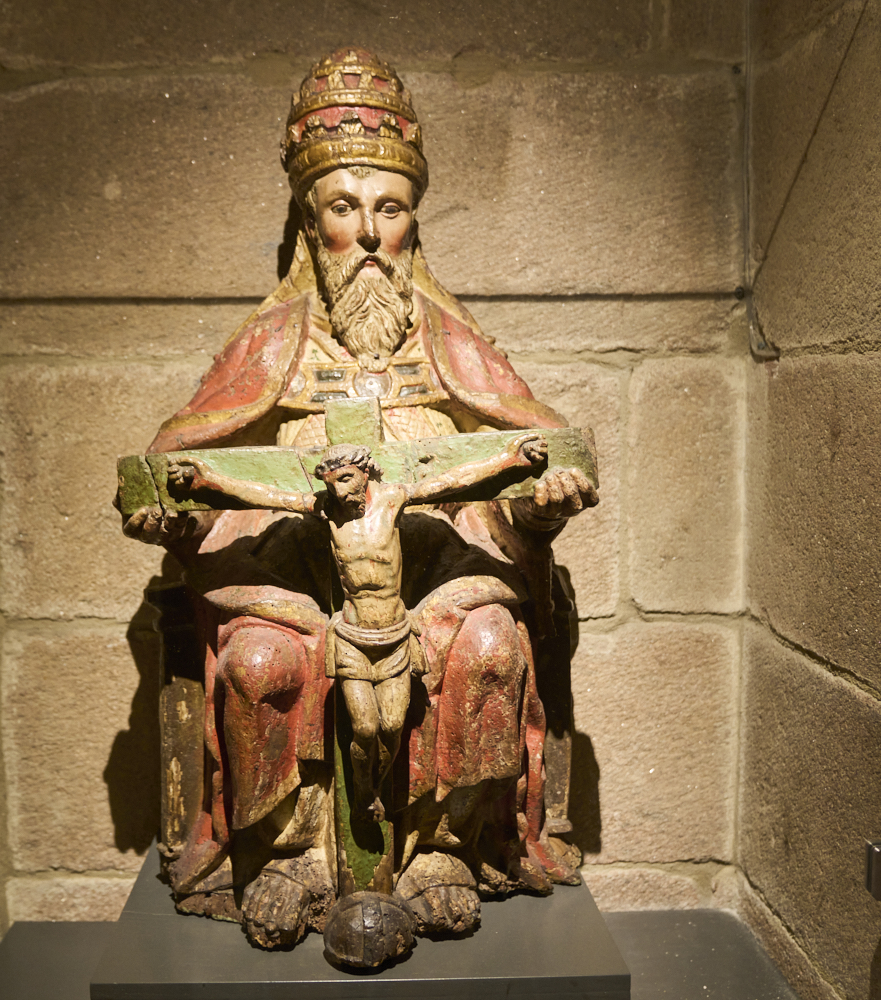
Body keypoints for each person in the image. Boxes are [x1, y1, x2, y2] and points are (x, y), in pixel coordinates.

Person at [122, 47, 598, 950]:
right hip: (287, 576)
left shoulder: (453, 347)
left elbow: (514, 471)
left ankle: (443, 849)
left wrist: (540, 509)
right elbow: (192, 471)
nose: (371, 232)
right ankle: (289, 854)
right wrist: (174, 518)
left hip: (440, 572)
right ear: (312, 225)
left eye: (390, 208)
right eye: (346, 208)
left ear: (414, 222)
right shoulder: (273, 346)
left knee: (489, 646)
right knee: (260, 664)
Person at [168, 434, 548, 828]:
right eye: (331, 483)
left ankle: (380, 787)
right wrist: (207, 479)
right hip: (351, 639)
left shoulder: (392, 500)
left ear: (365, 474)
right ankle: (365, 796)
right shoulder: (326, 510)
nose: (339, 490)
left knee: (392, 725)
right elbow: (264, 494)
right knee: (364, 728)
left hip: (395, 637)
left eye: (346, 479)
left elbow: (452, 481)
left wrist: (511, 459)